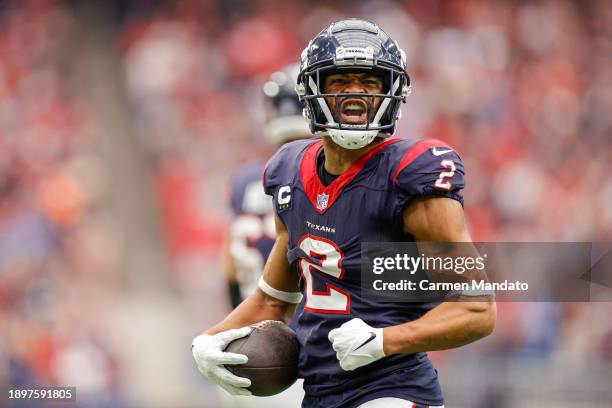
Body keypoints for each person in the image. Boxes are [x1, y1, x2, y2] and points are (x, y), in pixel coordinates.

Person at [193, 19, 496, 408]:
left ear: (393, 92)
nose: (355, 95)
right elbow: (273, 300)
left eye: (370, 83)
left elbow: (476, 310)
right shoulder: (289, 170)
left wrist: (384, 341)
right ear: (313, 91)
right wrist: (207, 340)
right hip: (318, 393)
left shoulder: (410, 173)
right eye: (340, 82)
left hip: (392, 390)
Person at [221, 64, 309, 408]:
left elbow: (229, 268)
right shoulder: (321, 178)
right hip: (304, 351)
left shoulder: (245, 179)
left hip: (248, 351)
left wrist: (238, 330)